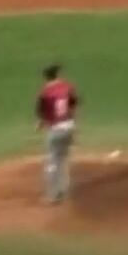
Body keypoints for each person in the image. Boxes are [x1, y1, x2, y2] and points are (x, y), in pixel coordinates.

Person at [35, 64, 80, 205]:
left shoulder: (45, 93)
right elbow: (74, 104)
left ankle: (53, 195)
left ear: (45, 77)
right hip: (69, 126)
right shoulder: (67, 87)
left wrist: (40, 124)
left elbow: (41, 113)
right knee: (63, 159)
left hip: (56, 129)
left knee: (52, 161)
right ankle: (64, 191)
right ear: (58, 75)